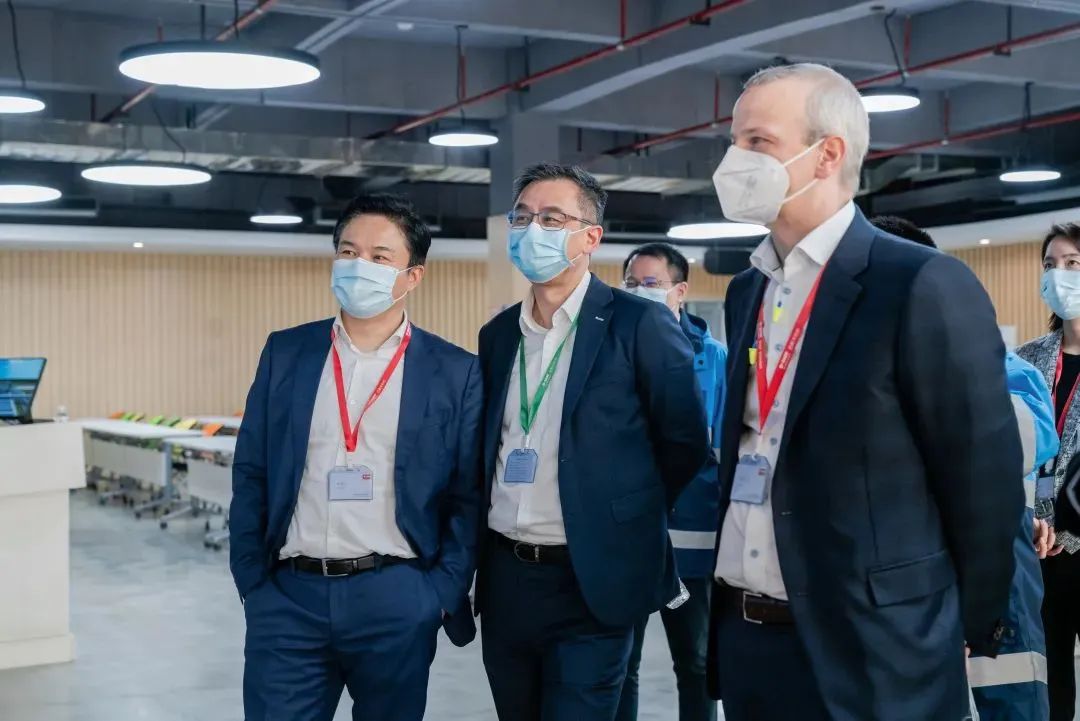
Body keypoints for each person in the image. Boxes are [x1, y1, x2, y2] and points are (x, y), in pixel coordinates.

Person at [707, 62, 1024, 721]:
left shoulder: (917, 283)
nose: (735, 160)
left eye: (757, 141)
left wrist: (969, 624)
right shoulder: (748, 290)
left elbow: (981, 479)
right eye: (734, 141)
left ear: (827, 154)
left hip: (879, 649)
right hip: (750, 637)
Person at [230, 193, 483, 721]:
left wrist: (438, 592)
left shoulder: (454, 371)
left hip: (396, 595)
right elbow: (252, 470)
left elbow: (467, 494)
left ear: (412, 276)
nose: (358, 264)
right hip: (289, 597)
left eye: (379, 256)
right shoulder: (287, 353)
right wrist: (254, 581)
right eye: (348, 251)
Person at [474, 162, 710, 721]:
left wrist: (623, 513)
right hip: (508, 577)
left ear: (590, 237)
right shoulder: (498, 335)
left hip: (593, 576)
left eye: (552, 219)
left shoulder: (638, 325)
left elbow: (683, 443)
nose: (532, 230)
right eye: (522, 218)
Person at [872, 214, 1059, 721]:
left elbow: (1025, 443)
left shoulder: (996, 362)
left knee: (1011, 690)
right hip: (897, 555)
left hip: (996, 549)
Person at [615, 242, 725, 721]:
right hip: (627, 537)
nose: (639, 292)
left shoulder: (714, 359)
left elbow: (725, 448)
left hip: (692, 541)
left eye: (651, 283)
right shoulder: (611, 351)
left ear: (680, 291)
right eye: (631, 283)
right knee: (622, 663)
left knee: (695, 662)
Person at [1017, 221, 1080, 721]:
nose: (1058, 274)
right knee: (1048, 675)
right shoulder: (1027, 360)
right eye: (1050, 265)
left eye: (1073, 263)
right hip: (1040, 544)